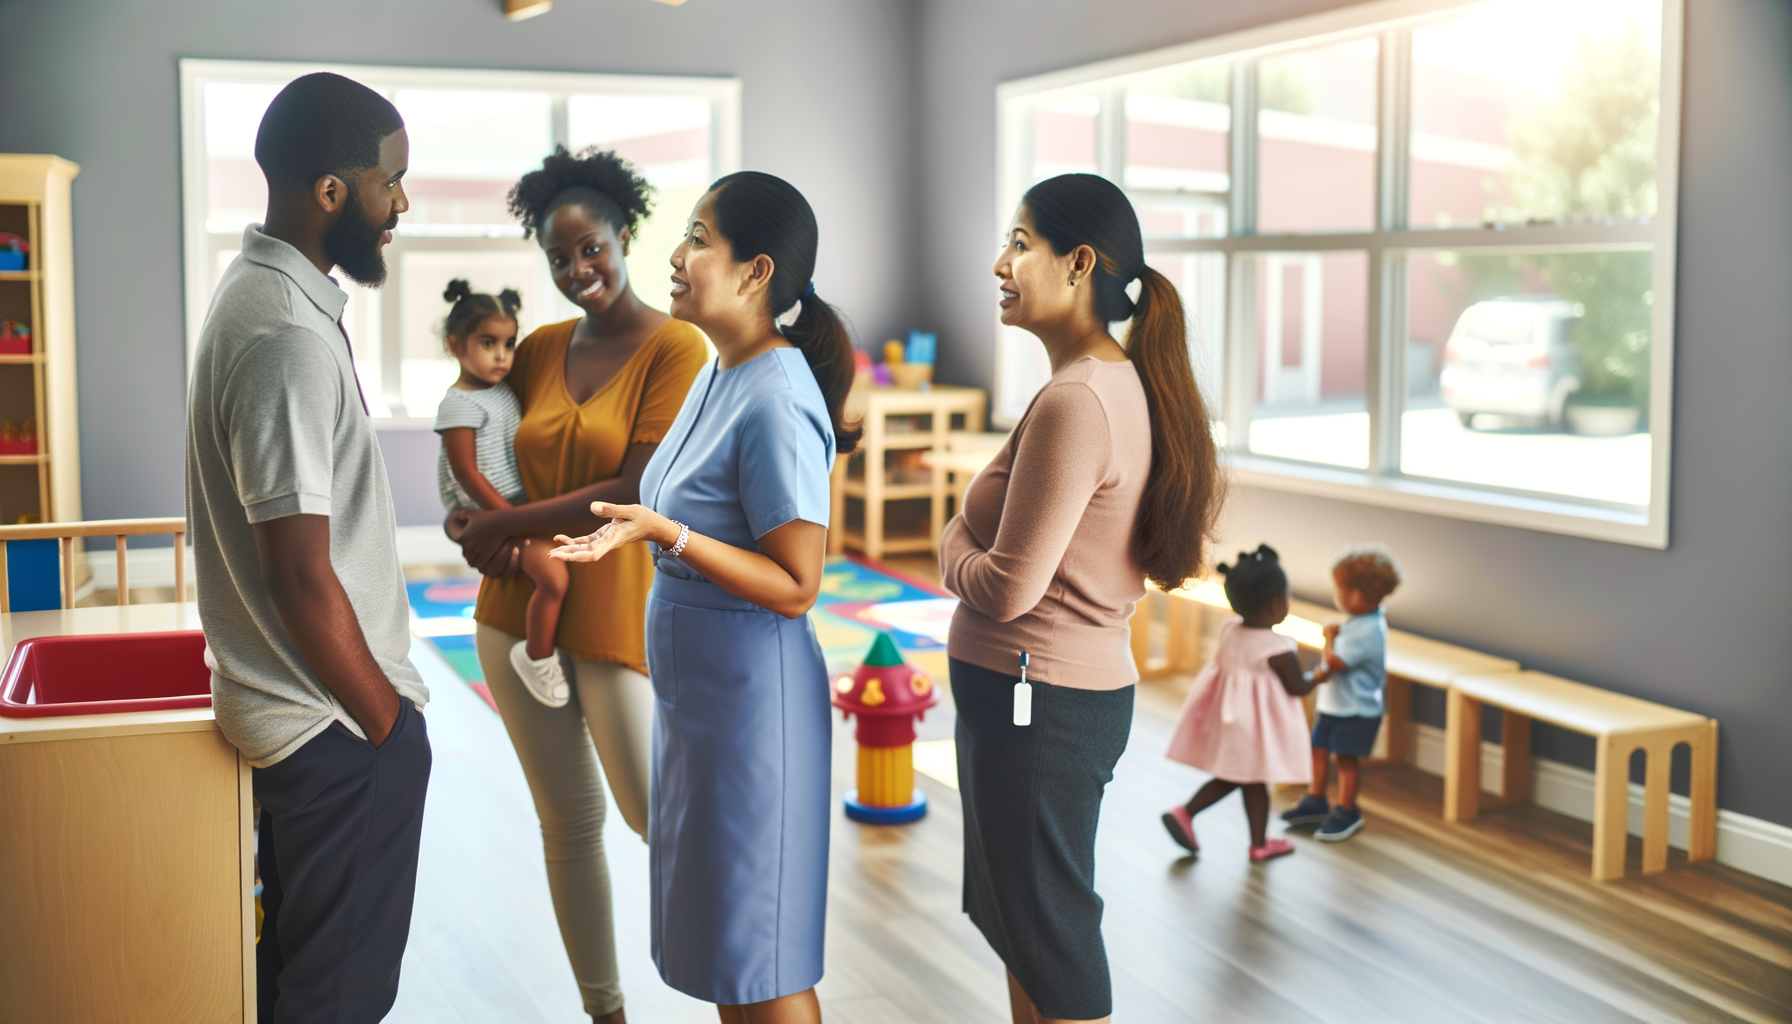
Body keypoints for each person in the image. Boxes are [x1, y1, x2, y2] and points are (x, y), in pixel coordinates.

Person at [551, 170, 854, 1024]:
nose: (676, 256)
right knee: (727, 947)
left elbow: (797, 585)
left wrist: (665, 533)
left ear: (756, 272)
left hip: (756, 707)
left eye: (697, 238)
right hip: (701, 703)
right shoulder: (718, 371)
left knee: (763, 954)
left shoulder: (778, 398)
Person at [941, 172, 1221, 1024]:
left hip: (1041, 703)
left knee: (1052, 934)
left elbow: (1006, 587)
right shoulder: (1105, 384)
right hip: (1040, 699)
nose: (1001, 262)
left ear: (1080, 263)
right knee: (1027, 928)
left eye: (1021, 243)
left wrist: (951, 546)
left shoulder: (1079, 400)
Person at [184, 72, 432, 1023]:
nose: (401, 202)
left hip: (306, 713)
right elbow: (296, 574)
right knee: (340, 998)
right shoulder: (285, 335)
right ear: (332, 191)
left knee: (297, 976)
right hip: (330, 722)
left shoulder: (261, 295)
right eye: (390, 181)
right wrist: (388, 727)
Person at [446, 145, 707, 1024]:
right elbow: (486, 454)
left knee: (650, 814)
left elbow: (634, 486)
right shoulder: (536, 349)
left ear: (625, 235)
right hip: (512, 614)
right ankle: (607, 1013)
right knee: (567, 825)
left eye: (591, 248)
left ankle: (745, 989)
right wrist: (468, 523)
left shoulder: (676, 346)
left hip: (611, 609)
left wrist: (502, 525)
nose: (577, 270)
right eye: (559, 258)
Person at [432, 280, 573, 706]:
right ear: (455, 344)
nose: (502, 356)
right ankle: (536, 657)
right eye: (488, 343)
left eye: (509, 344)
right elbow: (467, 474)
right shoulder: (458, 403)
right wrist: (510, 519)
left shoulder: (502, 391)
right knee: (554, 577)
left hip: (514, 505)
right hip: (493, 508)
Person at [1161, 545, 1318, 862]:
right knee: (1243, 779)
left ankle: (1255, 843)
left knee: (1249, 781)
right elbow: (1298, 687)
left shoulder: (1229, 629)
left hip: (1228, 719)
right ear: (1275, 604)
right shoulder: (1277, 649)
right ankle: (1189, 813)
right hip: (1255, 731)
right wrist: (1323, 674)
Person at [1282, 542, 1405, 842]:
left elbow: (1335, 663)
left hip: (1356, 711)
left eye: (1339, 592)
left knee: (1346, 761)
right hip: (1335, 705)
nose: (1336, 597)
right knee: (1318, 749)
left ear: (1357, 596)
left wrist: (1327, 637)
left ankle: (1347, 810)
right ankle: (1316, 800)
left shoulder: (1368, 630)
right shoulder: (1361, 621)